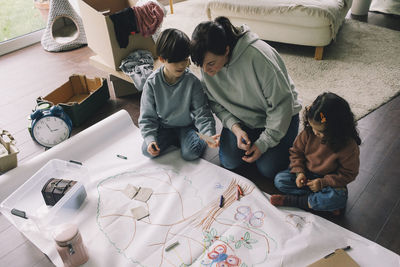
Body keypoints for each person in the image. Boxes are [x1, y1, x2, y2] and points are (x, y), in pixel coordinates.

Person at [190, 16, 302, 178]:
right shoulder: (208, 63)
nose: (206, 71)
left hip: (280, 117)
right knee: (229, 162)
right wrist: (235, 128)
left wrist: (264, 143)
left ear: (226, 50)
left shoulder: (259, 57)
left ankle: (284, 140)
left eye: (211, 64)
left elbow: (282, 106)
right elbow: (215, 103)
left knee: (268, 169)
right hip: (243, 120)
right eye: (202, 65)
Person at [271, 92, 361, 214]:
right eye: (312, 127)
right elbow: (296, 153)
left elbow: (348, 174)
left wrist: (323, 183)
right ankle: (318, 202)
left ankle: (296, 201)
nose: (314, 133)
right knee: (280, 180)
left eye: (320, 131)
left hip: (329, 181)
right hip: (306, 175)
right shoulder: (308, 133)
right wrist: (299, 173)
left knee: (338, 197)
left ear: (337, 129)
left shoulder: (348, 146)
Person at [139, 28, 219, 161]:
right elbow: (147, 116)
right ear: (162, 59)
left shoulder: (192, 82)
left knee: (190, 153)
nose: (182, 64)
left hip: (187, 126)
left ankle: (192, 137)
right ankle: (176, 139)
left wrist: (208, 135)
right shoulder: (152, 83)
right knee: (147, 150)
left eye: (185, 59)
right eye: (176, 61)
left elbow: (202, 113)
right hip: (164, 127)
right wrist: (150, 139)